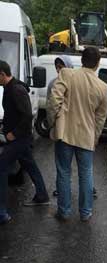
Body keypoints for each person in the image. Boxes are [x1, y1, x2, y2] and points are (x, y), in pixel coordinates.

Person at [47, 47, 107, 222]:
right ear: (97, 63)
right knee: (86, 174)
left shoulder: (67, 74)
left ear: (81, 60)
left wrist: (53, 123)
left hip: (65, 133)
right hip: (86, 135)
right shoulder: (103, 87)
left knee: (64, 172)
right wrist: (95, 137)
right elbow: (100, 117)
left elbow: (54, 101)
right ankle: (86, 212)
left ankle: (64, 212)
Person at [0, 60, 50, 225]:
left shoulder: (16, 90)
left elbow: (27, 116)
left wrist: (13, 134)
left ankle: (2, 213)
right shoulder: (10, 88)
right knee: (30, 165)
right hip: (19, 138)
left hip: (19, 139)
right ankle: (42, 195)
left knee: (1, 168)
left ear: (2, 74)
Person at [46, 56, 98, 199]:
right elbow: (50, 105)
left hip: (69, 132)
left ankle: (65, 209)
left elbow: (52, 106)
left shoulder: (73, 81)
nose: (59, 69)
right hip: (77, 132)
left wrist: (52, 124)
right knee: (81, 170)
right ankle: (83, 208)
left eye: (61, 66)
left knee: (66, 170)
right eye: (57, 66)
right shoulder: (54, 83)